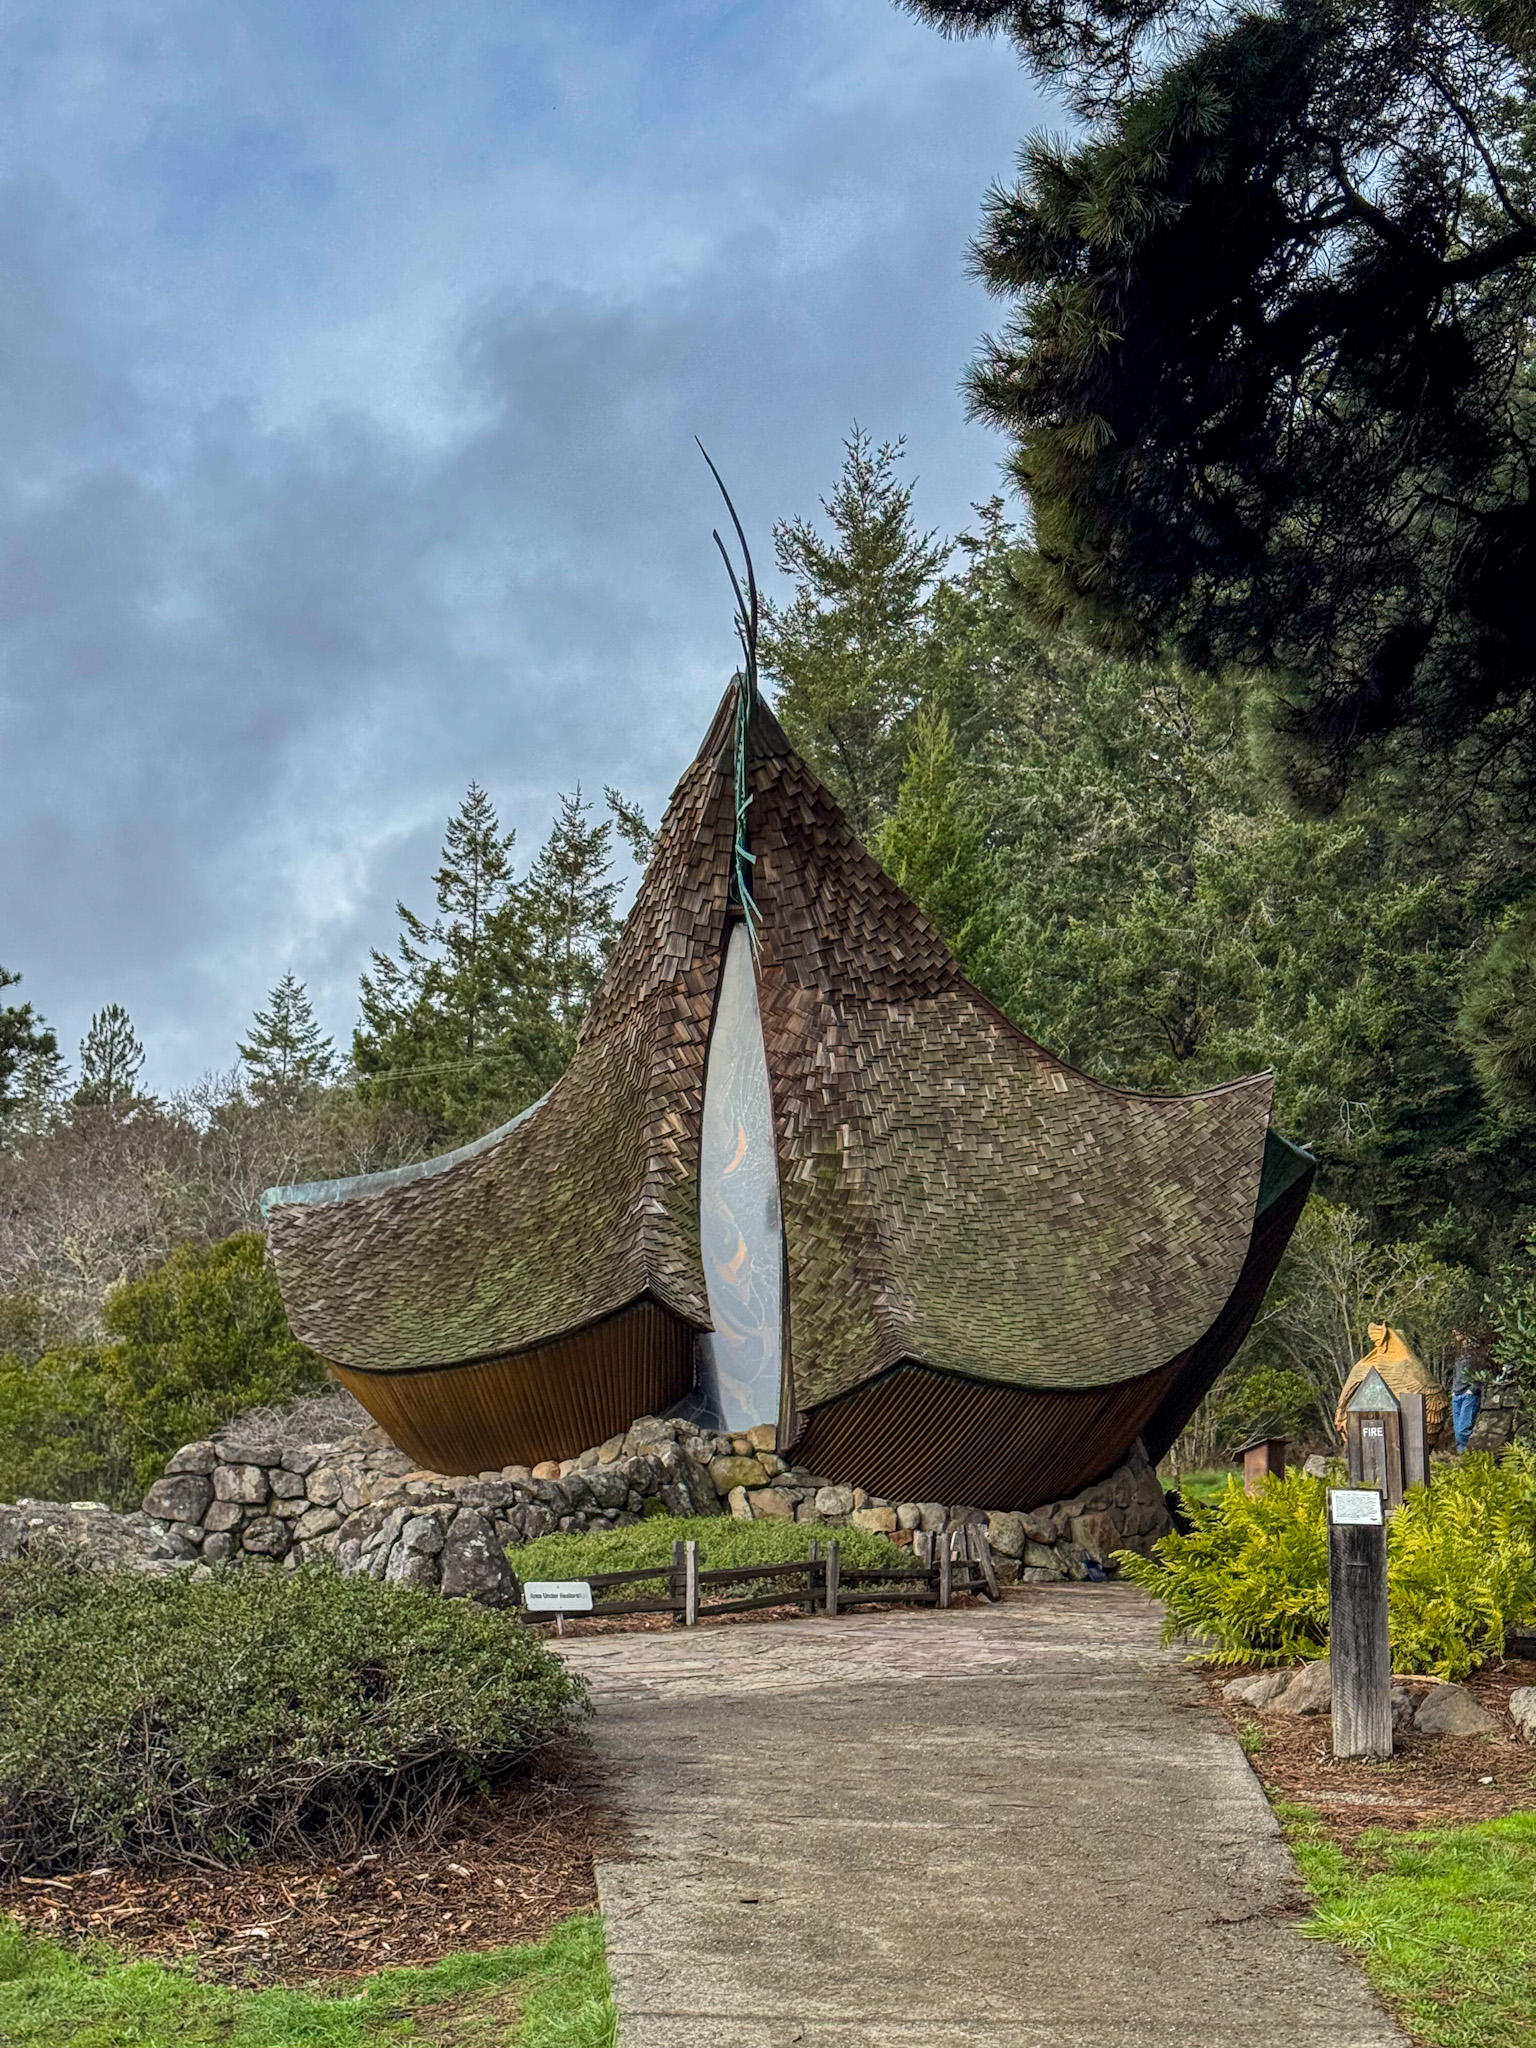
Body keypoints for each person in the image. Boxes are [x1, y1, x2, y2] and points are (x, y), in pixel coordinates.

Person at [1451, 1334, 1483, 1453]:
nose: (1456, 1337)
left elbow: (1480, 1374)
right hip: (1457, 1394)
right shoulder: (1459, 1354)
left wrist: (1472, 1390)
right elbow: (1456, 1374)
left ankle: (1466, 1457)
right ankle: (1463, 1460)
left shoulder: (1476, 1354)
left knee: (1463, 1430)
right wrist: (1453, 1391)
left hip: (1468, 1394)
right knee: (1457, 1431)